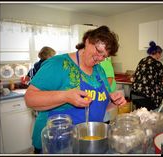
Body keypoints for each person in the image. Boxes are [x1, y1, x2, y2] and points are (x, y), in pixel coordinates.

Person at [24, 25, 127, 153]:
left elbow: (99, 104)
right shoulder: (58, 64)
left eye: (105, 56)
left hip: (88, 142)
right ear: (88, 41)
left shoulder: (99, 70)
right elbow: (30, 99)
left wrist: (113, 100)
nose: (100, 59)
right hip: (57, 144)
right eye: (99, 51)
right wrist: (65, 96)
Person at [130, 41, 163, 111]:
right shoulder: (157, 64)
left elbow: (133, 77)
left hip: (135, 94)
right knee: (149, 116)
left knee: (140, 114)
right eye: (160, 53)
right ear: (157, 53)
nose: (160, 56)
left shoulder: (142, 60)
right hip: (148, 97)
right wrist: (162, 83)